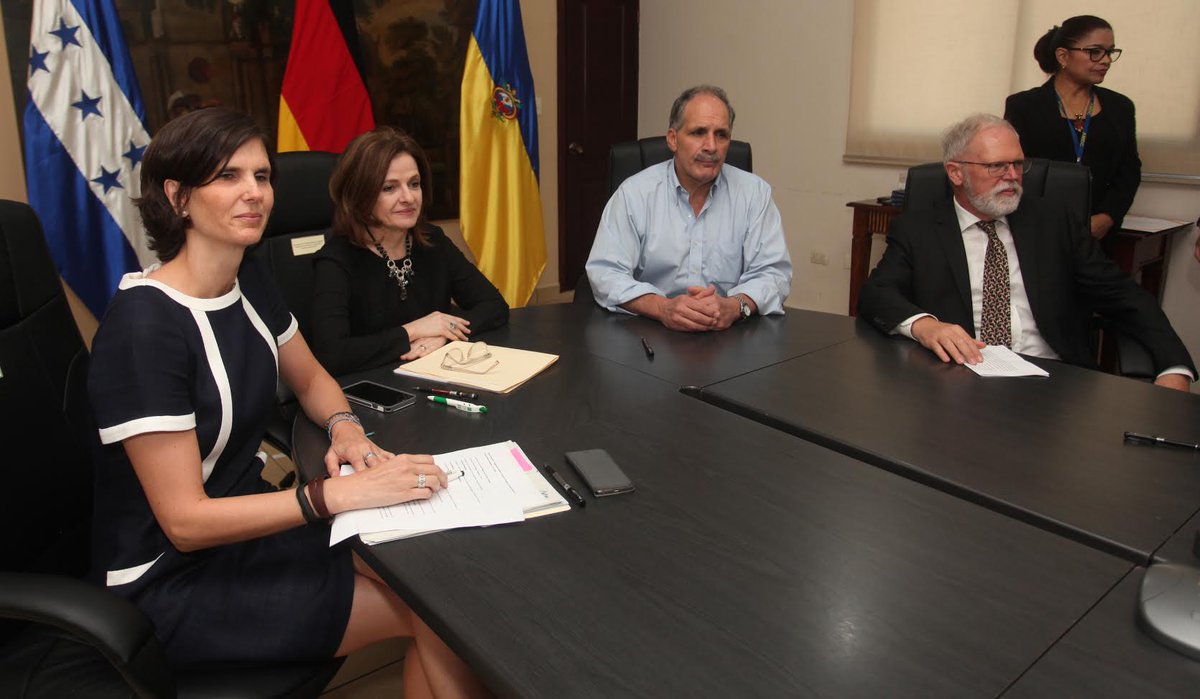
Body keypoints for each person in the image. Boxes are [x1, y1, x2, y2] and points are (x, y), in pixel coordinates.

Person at [87, 108, 491, 696]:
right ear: (177, 197)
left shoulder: (248, 278)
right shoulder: (144, 329)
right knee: (437, 615)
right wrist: (333, 496)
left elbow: (310, 379)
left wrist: (347, 428)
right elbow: (185, 523)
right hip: (173, 579)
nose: (254, 192)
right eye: (228, 176)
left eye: (262, 176)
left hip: (253, 528)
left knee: (435, 581)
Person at [857, 113, 1194, 392]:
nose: (1012, 177)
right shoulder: (919, 227)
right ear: (956, 173)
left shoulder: (1054, 222)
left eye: (1018, 164)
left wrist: (1174, 366)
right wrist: (925, 326)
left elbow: (1124, 296)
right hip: (960, 377)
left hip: (1052, 381)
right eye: (996, 166)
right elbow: (877, 293)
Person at [585, 84, 792, 332]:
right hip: (650, 332)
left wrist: (734, 306)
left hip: (729, 333)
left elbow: (773, 273)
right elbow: (606, 273)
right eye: (698, 132)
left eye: (721, 135)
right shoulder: (635, 194)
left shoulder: (755, 194)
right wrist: (662, 308)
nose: (711, 146)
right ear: (673, 139)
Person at [312, 126, 508, 375]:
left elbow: (494, 305)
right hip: (374, 386)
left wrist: (444, 335)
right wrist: (413, 331)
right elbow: (332, 354)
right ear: (360, 195)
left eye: (414, 184)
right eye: (389, 188)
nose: (408, 197)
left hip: (437, 374)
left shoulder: (433, 240)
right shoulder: (336, 260)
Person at [1004, 15, 1138, 247]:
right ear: (1063, 56)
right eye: (1095, 52)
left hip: (1097, 234)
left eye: (1110, 52)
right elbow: (1012, 168)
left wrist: (1108, 216)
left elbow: (1129, 170)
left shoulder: (1120, 107)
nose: (1106, 60)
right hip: (1038, 229)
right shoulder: (1024, 105)